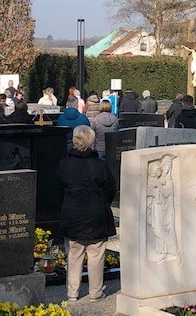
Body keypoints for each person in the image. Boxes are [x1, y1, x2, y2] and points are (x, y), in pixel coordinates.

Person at [57, 125, 116, 302]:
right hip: (96, 215)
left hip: (73, 214)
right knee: (96, 255)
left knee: (74, 255)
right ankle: (95, 292)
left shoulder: (64, 164)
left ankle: (72, 292)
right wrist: (103, 204)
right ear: (91, 142)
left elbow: (59, 190)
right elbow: (111, 189)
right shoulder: (100, 165)